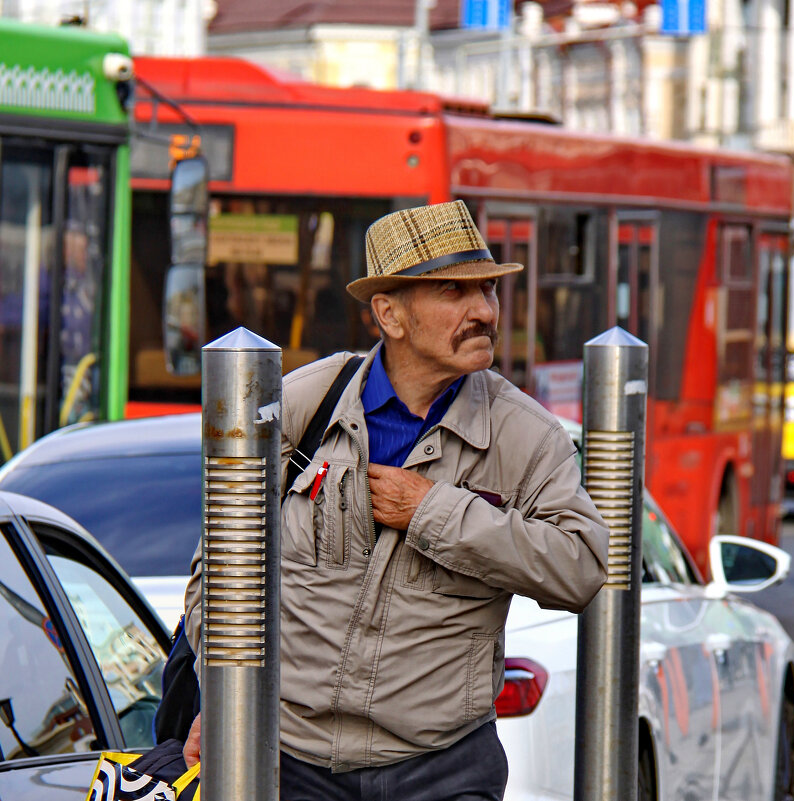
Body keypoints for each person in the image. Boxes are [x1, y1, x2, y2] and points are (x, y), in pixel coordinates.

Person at [182, 200, 609, 799]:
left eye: (487, 290)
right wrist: (225, 701)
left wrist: (434, 512)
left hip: (443, 768)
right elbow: (218, 575)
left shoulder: (527, 436)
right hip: (290, 763)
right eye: (454, 293)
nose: (484, 311)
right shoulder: (302, 403)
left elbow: (582, 567)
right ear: (390, 314)